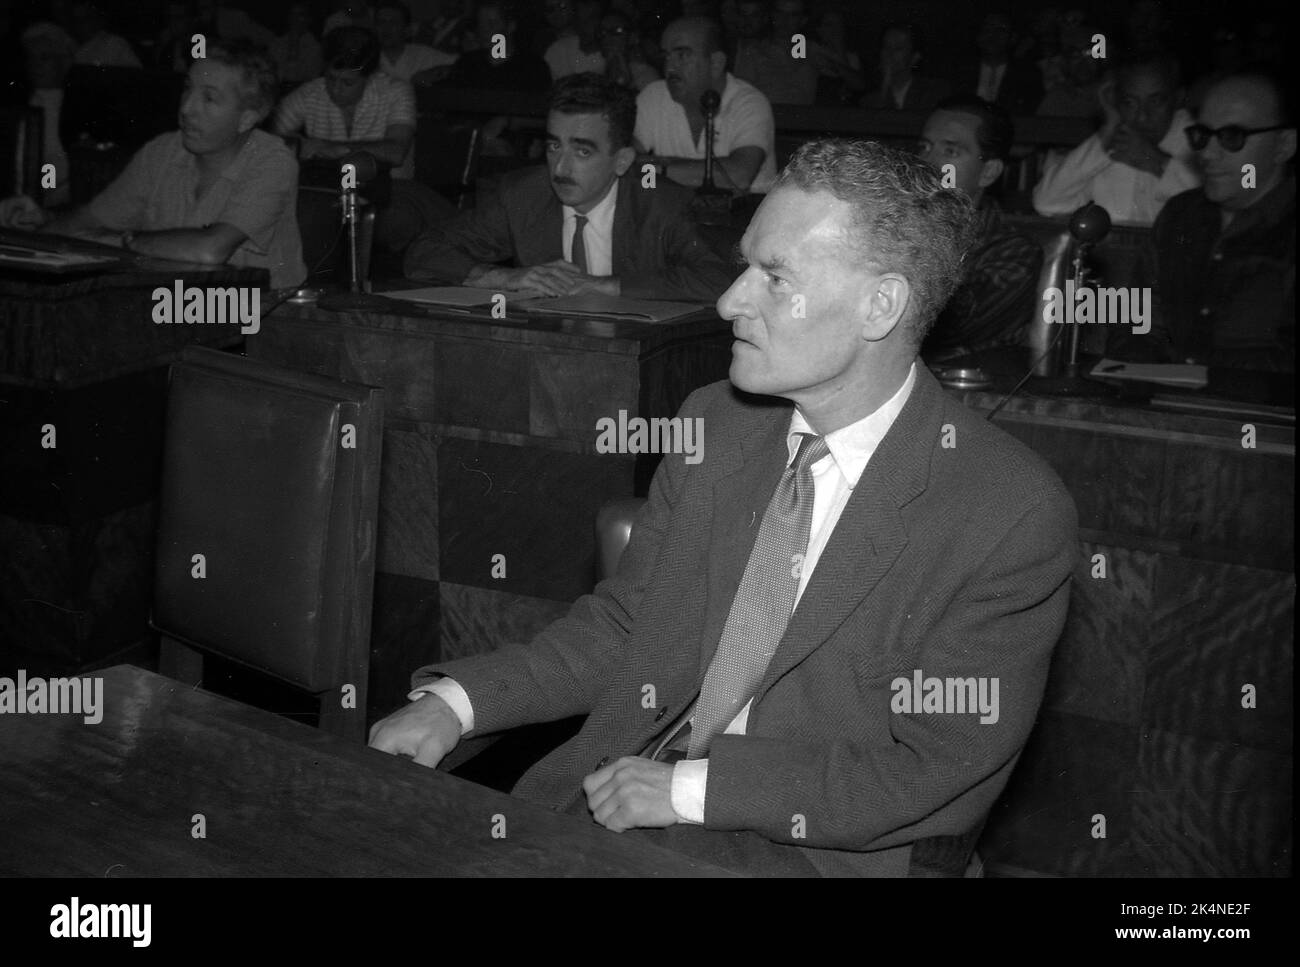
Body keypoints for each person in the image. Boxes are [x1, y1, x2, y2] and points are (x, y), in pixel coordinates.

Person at [372, 138, 1078, 877]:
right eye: (746, 264)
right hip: (610, 802)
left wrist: (688, 788)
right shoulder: (717, 422)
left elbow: (933, 766)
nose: (728, 300)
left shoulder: (1009, 512)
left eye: (774, 278)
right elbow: (624, 627)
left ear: (881, 305)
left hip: (808, 852)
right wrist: (456, 704)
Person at [403, 72, 732, 303]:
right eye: (553, 146)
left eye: (583, 151)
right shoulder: (523, 195)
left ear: (622, 160)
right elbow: (425, 252)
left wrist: (607, 286)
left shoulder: (661, 204)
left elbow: (721, 278)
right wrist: (503, 278)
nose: (560, 167)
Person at [13, 39, 304, 289]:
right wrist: (34, 230)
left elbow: (210, 250)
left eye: (209, 99)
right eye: (187, 90)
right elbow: (92, 221)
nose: (187, 108)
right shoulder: (163, 151)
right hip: (170, 316)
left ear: (248, 118)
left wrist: (126, 240)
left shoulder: (272, 161)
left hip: (258, 327)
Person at [1109, 72, 1295, 372]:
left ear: (1284, 145)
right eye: (1202, 136)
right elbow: (1138, 324)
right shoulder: (1181, 215)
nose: (1207, 152)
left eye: (1233, 137)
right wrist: (1139, 378)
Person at [916, 96, 1042, 359]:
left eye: (950, 151)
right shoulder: (893, 229)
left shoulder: (1013, 252)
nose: (927, 162)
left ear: (989, 172)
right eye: (925, 146)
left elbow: (947, 327)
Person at [1033, 53, 1199, 225]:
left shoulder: (1198, 140)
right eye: (1130, 103)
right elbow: (1046, 202)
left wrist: (1157, 162)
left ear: (1178, 98)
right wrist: (1106, 135)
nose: (1142, 116)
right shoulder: (1114, 140)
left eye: (1156, 102)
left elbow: (1211, 208)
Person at [633, 16, 777, 194]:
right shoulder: (654, 95)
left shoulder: (750, 102)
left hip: (744, 216)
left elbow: (739, 176)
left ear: (716, 63)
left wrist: (657, 169)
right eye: (666, 56)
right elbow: (626, 160)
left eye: (682, 55)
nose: (670, 66)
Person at [442, 0, 550, 92]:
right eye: (481, 24)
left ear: (510, 26)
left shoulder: (532, 68)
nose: (484, 30)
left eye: (491, 24)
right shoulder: (466, 64)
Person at [953, 12, 1042, 117]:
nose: (993, 35)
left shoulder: (1027, 74)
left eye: (1000, 30)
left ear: (1013, 38)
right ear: (978, 36)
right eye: (987, 28)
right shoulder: (960, 71)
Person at [731, 0, 818, 106]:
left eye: (793, 15)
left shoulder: (812, 50)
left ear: (803, 20)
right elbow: (740, 97)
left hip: (808, 119)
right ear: (772, 15)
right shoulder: (753, 52)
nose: (784, 20)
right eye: (780, 13)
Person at [861, 23, 950, 114]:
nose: (889, 54)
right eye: (886, 46)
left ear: (915, 57)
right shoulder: (868, 99)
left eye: (898, 48)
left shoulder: (932, 94)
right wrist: (885, 87)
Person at [375, 0, 456, 83]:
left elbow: (462, 64)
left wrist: (434, 73)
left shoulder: (422, 55)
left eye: (393, 23)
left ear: (407, 30)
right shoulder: (367, 58)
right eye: (381, 22)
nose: (386, 28)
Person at [599, 9, 658, 92]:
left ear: (632, 37)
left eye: (617, 31)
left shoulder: (647, 75)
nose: (607, 37)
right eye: (602, 32)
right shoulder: (599, 69)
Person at [544, 0, 605, 81]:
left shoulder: (610, 51)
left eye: (592, 17)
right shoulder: (557, 49)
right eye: (550, 9)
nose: (557, 13)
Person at [69, 1, 140, 68]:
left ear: (95, 19)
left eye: (84, 20)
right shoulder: (67, 45)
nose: (79, 25)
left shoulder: (116, 45)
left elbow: (135, 74)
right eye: (76, 20)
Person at [271, 1, 324, 85]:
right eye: (292, 14)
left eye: (300, 15)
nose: (295, 18)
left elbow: (307, 79)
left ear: (308, 19)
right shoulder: (278, 43)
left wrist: (295, 43)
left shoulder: (314, 48)